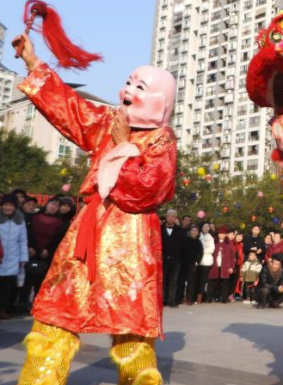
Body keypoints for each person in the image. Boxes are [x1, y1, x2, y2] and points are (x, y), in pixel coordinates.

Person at [14, 27, 177, 385]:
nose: (128, 92)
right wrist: (33, 61)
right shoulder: (107, 122)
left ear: (160, 101)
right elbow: (71, 109)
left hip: (129, 244)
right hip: (84, 236)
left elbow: (147, 191)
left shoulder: (161, 140)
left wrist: (123, 147)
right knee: (54, 318)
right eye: (128, 83)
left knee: (131, 332)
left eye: (140, 87)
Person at [0, 194, 28, 319]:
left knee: (6, 285)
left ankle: (1, 309)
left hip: (13, 255)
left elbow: (23, 240)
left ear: (15, 206)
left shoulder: (20, 219)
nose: (8, 208)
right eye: (6, 205)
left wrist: (23, 258)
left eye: (11, 205)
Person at [19, 197, 63, 311]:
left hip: (46, 254)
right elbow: (29, 233)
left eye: (56, 206)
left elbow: (57, 238)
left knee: (41, 280)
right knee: (27, 279)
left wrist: (48, 249)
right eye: (52, 204)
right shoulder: (34, 217)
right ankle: (22, 304)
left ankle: (37, 304)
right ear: (47, 204)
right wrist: (31, 247)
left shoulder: (60, 222)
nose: (53, 207)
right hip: (32, 251)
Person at [161, 209, 185, 308]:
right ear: (166, 217)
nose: (170, 218)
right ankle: (162, 299)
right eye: (169, 216)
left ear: (175, 218)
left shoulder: (180, 230)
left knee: (173, 280)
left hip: (175, 260)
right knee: (163, 280)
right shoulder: (160, 228)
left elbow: (182, 245)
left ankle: (171, 300)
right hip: (163, 259)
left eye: (173, 216)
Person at [206, 226, 235, 303]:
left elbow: (232, 256)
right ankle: (211, 297)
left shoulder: (229, 243)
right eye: (220, 234)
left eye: (223, 234)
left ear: (225, 234)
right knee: (213, 282)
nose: (221, 235)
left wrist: (232, 267)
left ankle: (224, 298)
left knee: (225, 282)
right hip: (214, 265)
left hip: (225, 266)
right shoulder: (214, 242)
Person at [179, 226, 203, 305]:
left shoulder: (198, 242)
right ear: (189, 232)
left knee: (191, 282)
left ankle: (190, 299)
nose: (193, 232)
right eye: (192, 230)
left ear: (198, 233)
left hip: (192, 264)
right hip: (183, 263)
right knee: (181, 281)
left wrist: (197, 263)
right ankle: (180, 298)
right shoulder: (185, 240)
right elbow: (180, 250)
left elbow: (201, 253)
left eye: (195, 231)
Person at [196, 223, 215, 304]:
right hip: (197, 261)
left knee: (203, 280)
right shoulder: (198, 236)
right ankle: (193, 296)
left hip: (206, 261)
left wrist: (201, 251)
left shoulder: (210, 237)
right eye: (204, 226)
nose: (206, 228)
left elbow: (211, 249)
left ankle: (200, 297)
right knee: (196, 279)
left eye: (207, 227)